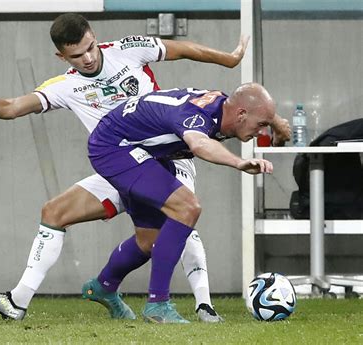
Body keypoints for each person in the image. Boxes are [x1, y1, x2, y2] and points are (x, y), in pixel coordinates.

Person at [0, 13, 290, 322]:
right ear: (61, 57)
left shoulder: (127, 49)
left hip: (169, 156)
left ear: (95, 37)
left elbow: (183, 49)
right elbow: (12, 107)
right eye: (77, 55)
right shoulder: (65, 86)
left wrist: (228, 60)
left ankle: (195, 304)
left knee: (163, 229)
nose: (89, 57)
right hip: (120, 159)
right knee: (56, 212)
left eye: (91, 47)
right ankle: (17, 302)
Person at [87, 83, 275, 323]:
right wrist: (238, 162)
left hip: (145, 151)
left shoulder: (229, 106)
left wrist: (276, 123)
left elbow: (255, 106)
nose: (262, 131)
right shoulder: (196, 116)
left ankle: (103, 285)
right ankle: (158, 305)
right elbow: (199, 144)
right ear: (241, 114)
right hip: (115, 148)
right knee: (187, 207)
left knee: (149, 240)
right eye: (261, 125)